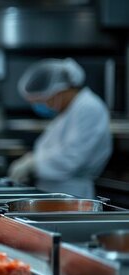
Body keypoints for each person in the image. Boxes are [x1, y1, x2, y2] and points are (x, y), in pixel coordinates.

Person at [8, 58, 112, 198]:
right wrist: (32, 160)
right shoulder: (67, 112)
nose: (41, 105)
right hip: (54, 191)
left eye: (41, 100)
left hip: (73, 195)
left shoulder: (89, 108)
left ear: (59, 91)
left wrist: (34, 164)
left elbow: (72, 158)